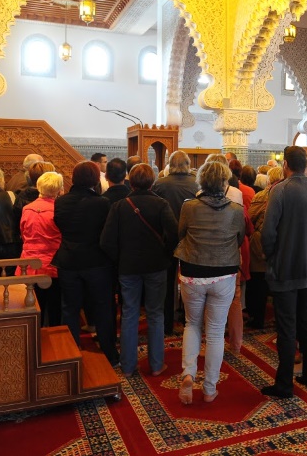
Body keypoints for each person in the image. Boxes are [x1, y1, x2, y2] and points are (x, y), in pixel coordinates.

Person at [261, 146, 307, 398]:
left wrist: (272, 256)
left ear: (285, 165)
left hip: (286, 269)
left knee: (286, 327)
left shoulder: (280, 190)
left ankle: (284, 384)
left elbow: (268, 232)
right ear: (305, 165)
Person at [174, 161, 245, 404]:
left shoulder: (189, 207)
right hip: (224, 273)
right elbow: (239, 238)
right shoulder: (235, 209)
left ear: (201, 182)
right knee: (215, 332)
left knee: (192, 324)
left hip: (193, 270)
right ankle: (209, 388)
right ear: (225, 183)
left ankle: (188, 374)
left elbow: (181, 234)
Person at [101, 164, 178, 378]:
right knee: (155, 314)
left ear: (130, 182)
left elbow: (106, 241)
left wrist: (120, 259)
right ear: (152, 182)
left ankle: (127, 367)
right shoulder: (161, 204)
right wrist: (166, 255)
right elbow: (174, 235)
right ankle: (156, 365)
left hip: (128, 267)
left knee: (129, 314)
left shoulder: (119, 206)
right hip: (156, 266)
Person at [53, 161, 118, 365]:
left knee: (70, 309)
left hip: (69, 261)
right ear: (94, 179)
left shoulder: (61, 202)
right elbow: (107, 234)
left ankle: (71, 353)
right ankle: (109, 353)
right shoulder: (102, 203)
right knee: (103, 307)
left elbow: (60, 226)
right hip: (96, 262)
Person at [152, 150, 201, 335]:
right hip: (191, 238)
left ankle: (167, 323)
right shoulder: (196, 183)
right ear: (187, 165)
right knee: (190, 281)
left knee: (167, 281)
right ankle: (188, 319)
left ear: (170, 164)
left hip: (167, 239)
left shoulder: (160, 184)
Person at [18, 171, 64, 327]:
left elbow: (24, 234)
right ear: (58, 190)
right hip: (52, 264)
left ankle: (34, 339)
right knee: (54, 308)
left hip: (29, 263)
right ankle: (55, 343)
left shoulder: (27, 209)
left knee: (34, 306)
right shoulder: (58, 210)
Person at [246, 166, 285, 329]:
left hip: (261, 242)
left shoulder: (262, 195)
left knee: (258, 283)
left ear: (269, 180)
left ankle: (257, 318)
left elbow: (250, 217)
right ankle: (279, 318)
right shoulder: (286, 194)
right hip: (281, 242)